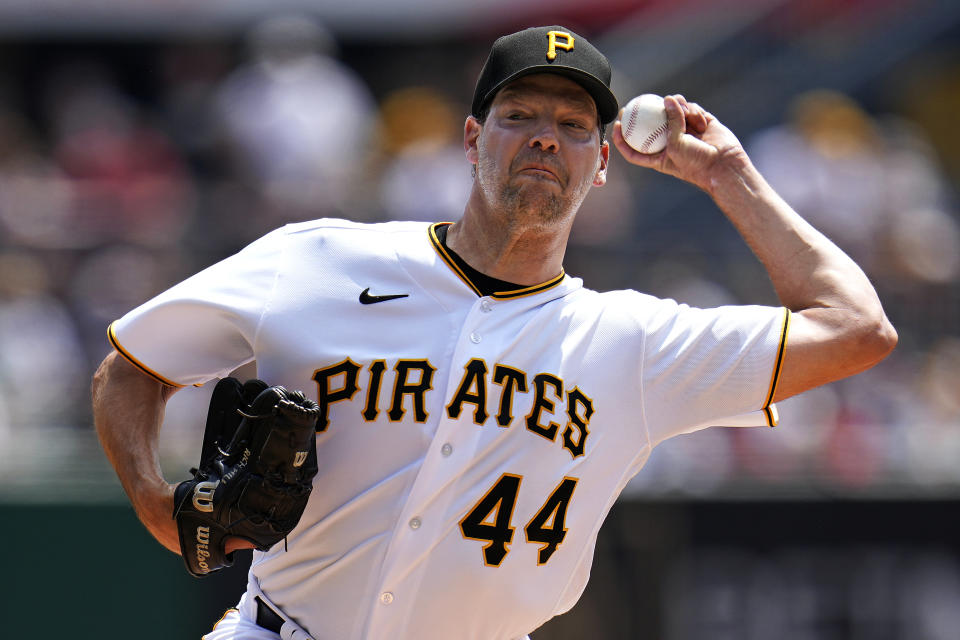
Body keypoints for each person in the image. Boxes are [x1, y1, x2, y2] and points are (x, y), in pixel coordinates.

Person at [91, 25, 896, 640]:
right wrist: (152, 500)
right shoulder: (321, 260)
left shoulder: (635, 343)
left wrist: (730, 176)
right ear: (474, 140)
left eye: (576, 125)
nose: (546, 136)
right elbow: (130, 369)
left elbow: (857, 330)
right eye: (520, 114)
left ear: (602, 162)